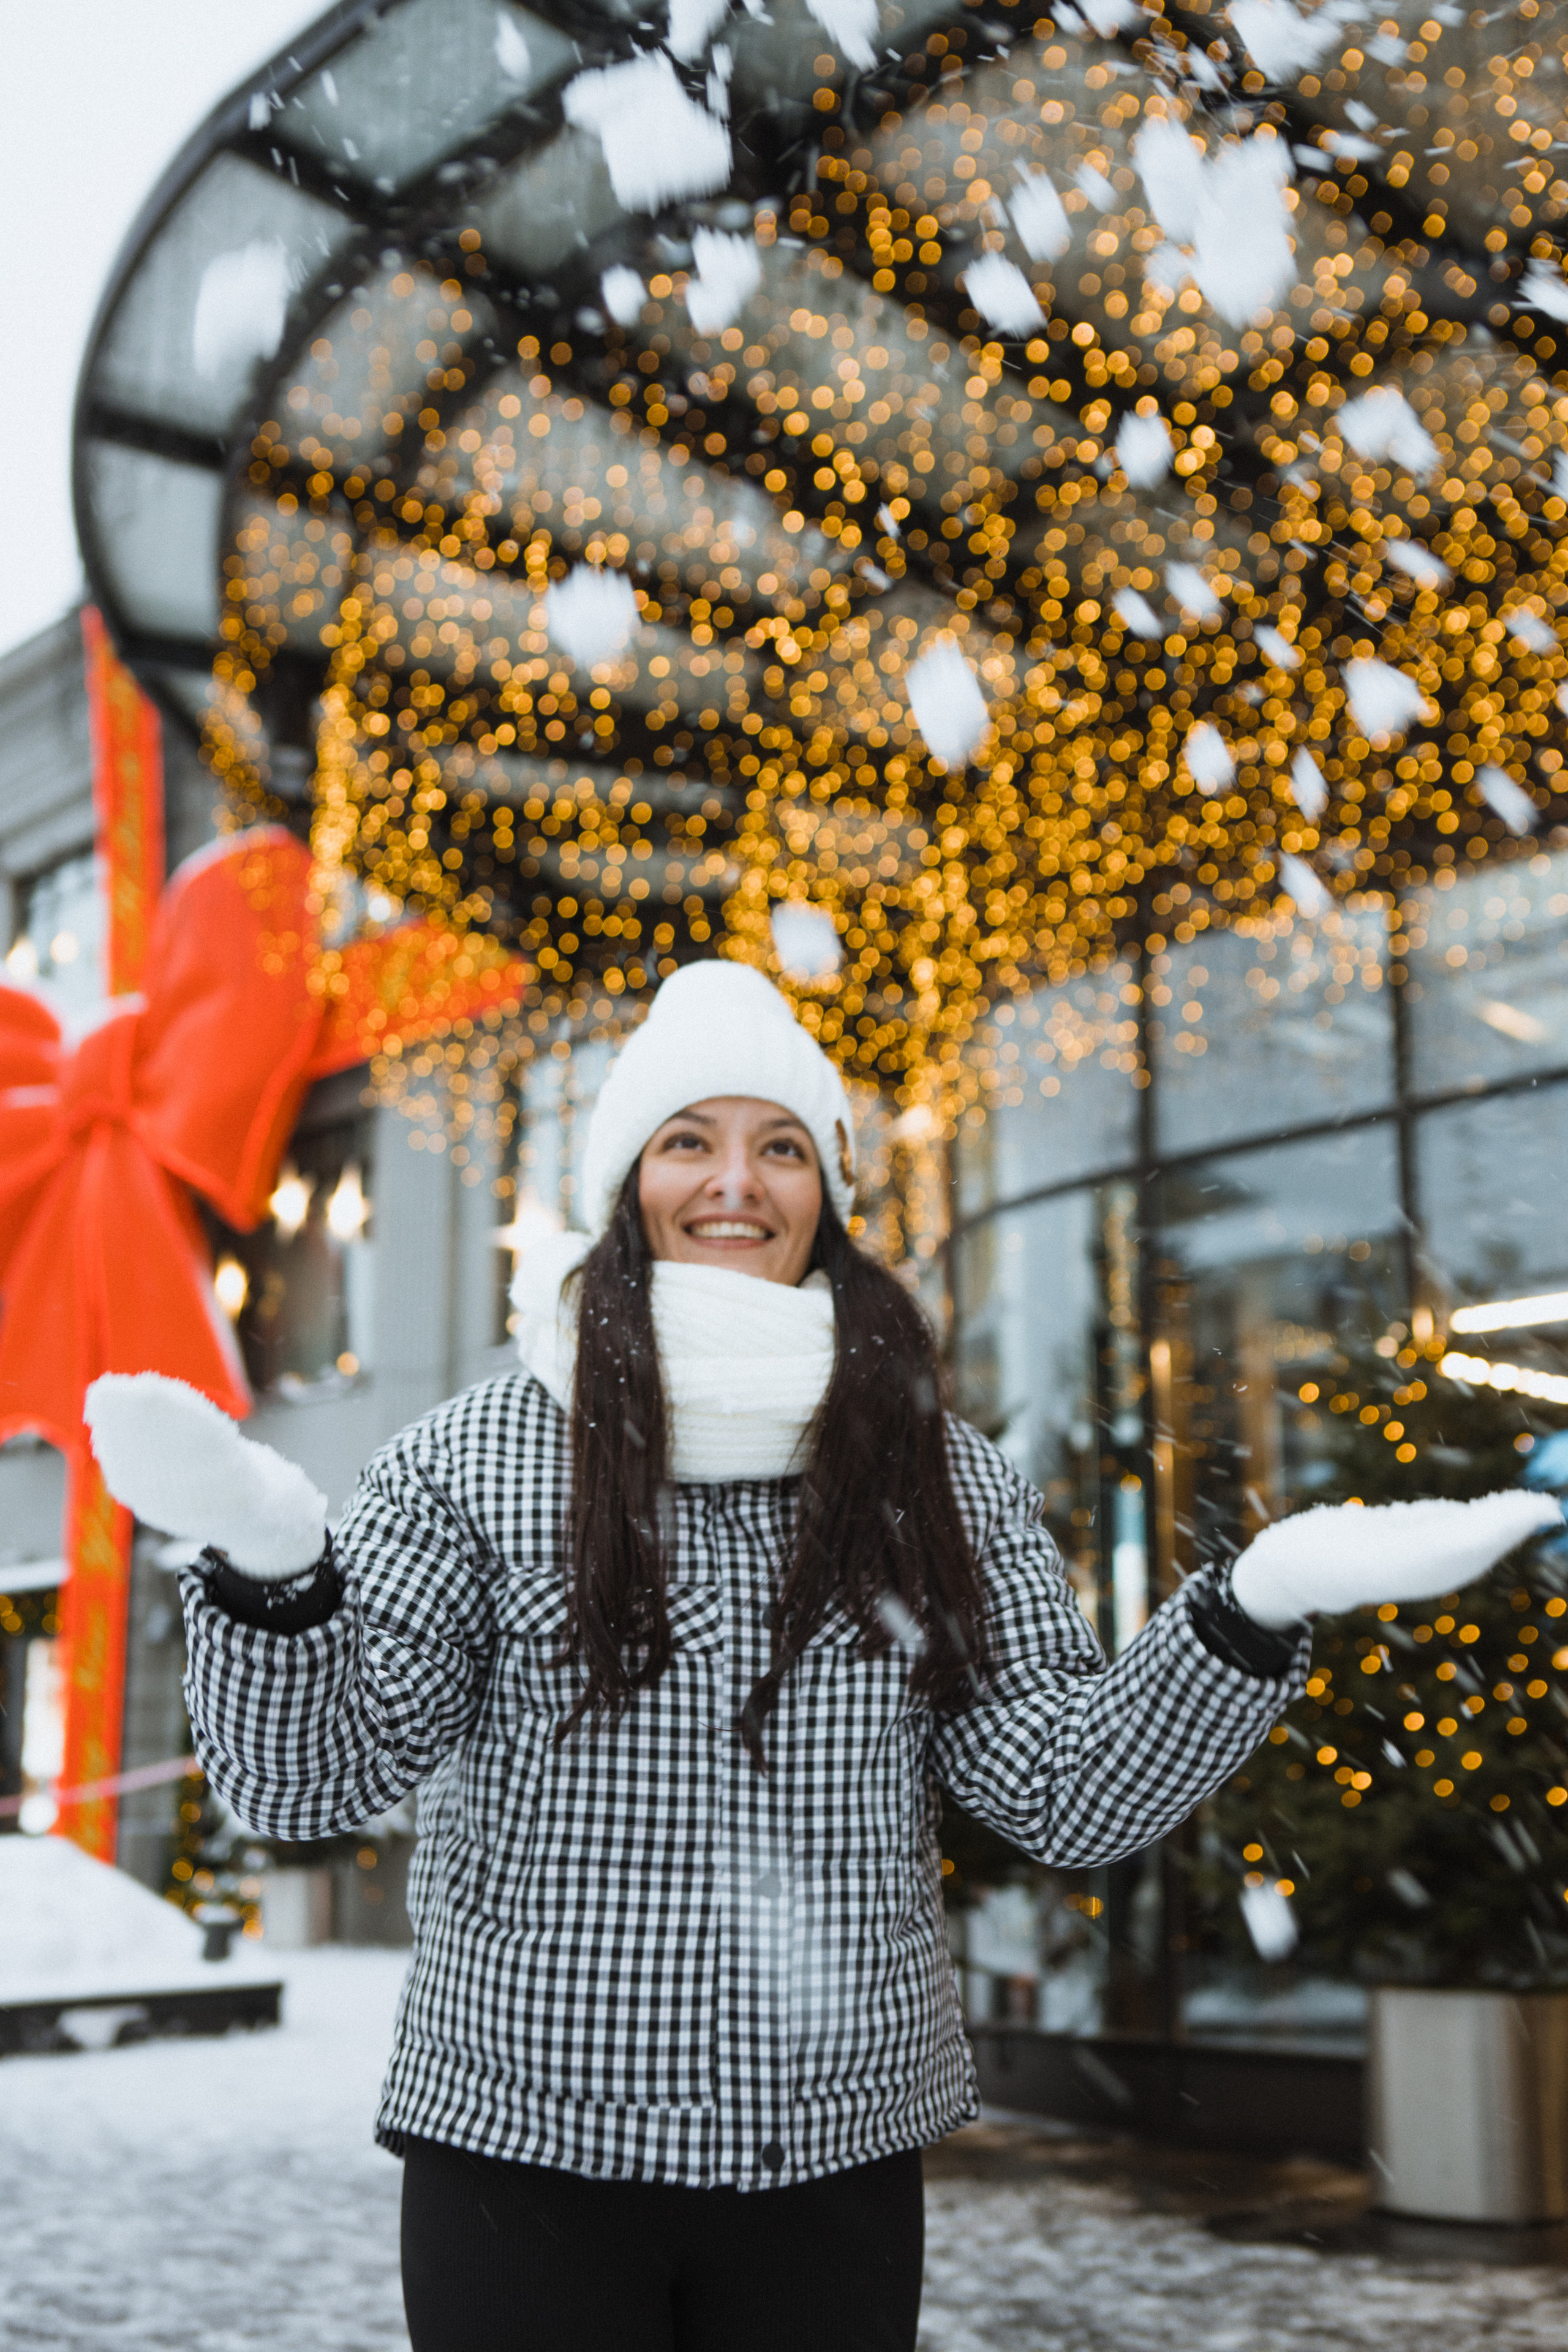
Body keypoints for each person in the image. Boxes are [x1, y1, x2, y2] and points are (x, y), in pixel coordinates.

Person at [87, 960, 1558, 2352]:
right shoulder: (474, 1461)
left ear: (828, 1190)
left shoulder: (934, 1475)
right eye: (688, 1142)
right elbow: (309, 1783)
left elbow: (1058, 1790)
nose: (734, 1184)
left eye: (780, 1146)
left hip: (830, 2161)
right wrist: (272, 1573)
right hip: (524, 2160)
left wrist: (1248, 1605)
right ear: (621, 1186)